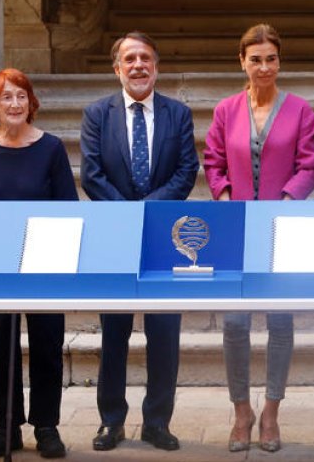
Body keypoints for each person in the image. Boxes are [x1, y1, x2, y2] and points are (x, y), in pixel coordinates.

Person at [80, 32, 200, 452]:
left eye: (145, 58)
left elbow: (186, 171)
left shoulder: (177, 114)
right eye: (129, 59)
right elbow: (91, 174)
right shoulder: (97, 113)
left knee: (164, 333)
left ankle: (157, 422)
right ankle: (111, 421)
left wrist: (148, 210)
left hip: (166, 238)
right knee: (113, 334)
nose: (138, 65)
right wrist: (129, 214)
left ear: (156, 66)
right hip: (115, 236)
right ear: (117, 68)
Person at [204, 23, 314, 453]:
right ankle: (241, 412)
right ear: (242, 61)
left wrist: (287, 202)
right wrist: (227, 196)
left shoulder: (301, 110)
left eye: (271, 58)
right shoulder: (225, 110)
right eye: (255, 59)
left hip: (281, 228)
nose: (264, 66)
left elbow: (309, 164)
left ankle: (270, 412)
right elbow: (213, 161)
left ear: (279, 61)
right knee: (235, 323)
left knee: (280, 321)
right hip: (236, 229)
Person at [0, 69, 75, 459]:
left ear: (31, 102)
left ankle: (46, 426)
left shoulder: (51, 148)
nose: (14, 104)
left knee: (47, 344)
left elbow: (67, 209)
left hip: (45, 263)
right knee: (1, 346)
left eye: (21, 96)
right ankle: (6, 424)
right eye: (5, 97)